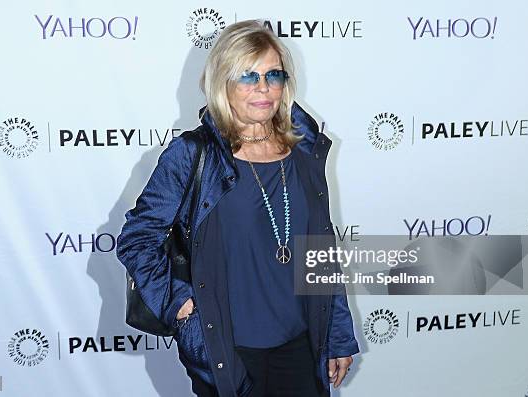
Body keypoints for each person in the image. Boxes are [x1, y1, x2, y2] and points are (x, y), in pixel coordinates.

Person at [116, 19, 360, 397]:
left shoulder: (303, 152)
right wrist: (178, 303)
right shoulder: (192, 154)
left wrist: (338, 334)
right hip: (229, 351)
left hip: (301, 342)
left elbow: (320, 253)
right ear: (222, 83)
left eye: (273, 75)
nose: (263, 88)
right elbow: (137, 240)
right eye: (248, 76)